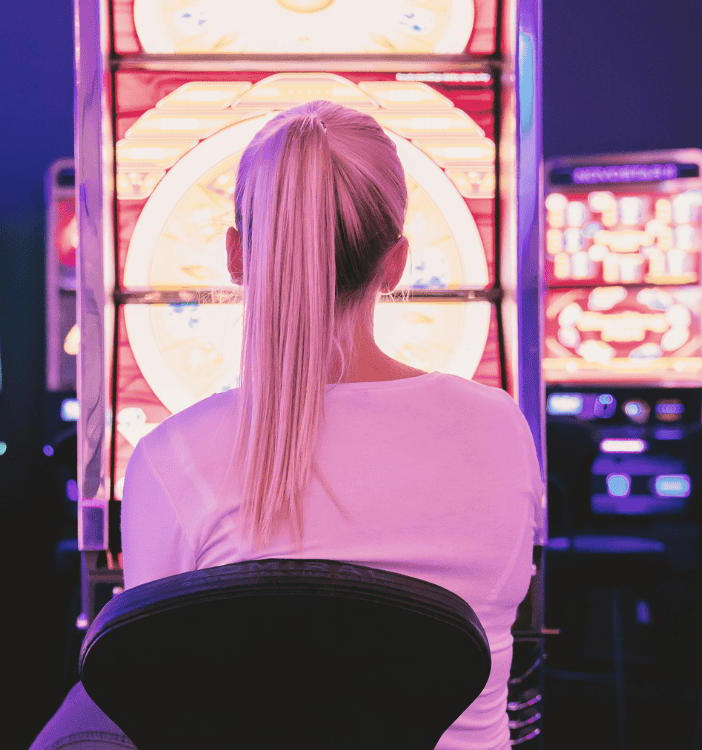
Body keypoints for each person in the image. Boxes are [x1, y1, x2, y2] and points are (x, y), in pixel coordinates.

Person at [31, 100, 541, 750]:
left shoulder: (169, 455)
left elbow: (152, 691)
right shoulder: (498, 427)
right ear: (396, 263)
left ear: (237, 256)